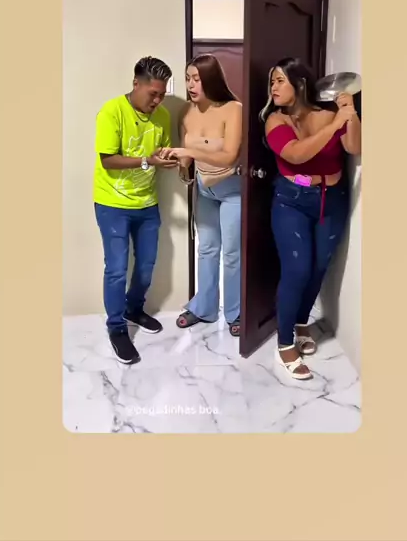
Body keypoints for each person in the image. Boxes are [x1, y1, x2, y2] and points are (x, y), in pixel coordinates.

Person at [261, 57, 361, 380]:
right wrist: (334, 124)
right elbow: (295, 153)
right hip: (292, 199)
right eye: (272, 82)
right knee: (298, 269)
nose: (273, 87)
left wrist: (349, 113)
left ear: (300, 84)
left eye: (280, 80)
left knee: (319, 267)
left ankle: (301, 321)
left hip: (333, 198)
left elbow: (354, 147)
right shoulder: (274, 120)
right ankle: (284, 343)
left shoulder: (328, 113)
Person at [93, 56, 178, 364]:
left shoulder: (163, 116)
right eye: (152, 94)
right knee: (116, 269)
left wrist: (169, 159)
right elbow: (107, 160)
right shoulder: (112, 111)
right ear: (136, 84)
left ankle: (133, 309)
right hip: (112, 203)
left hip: (146, 203)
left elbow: (159, 153)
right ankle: (117, 328)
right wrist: (147, 161)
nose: (157, 101)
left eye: (162, 95)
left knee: (145, 265)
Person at [161, 54, 242, 337]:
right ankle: (204, 308)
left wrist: (189, 151)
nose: (191, 85)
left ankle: (236, 312)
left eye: (197, 79)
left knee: (232, 253)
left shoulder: (233, 109)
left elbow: (229, 156)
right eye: (187, 78)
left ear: (211, 79)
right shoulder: (186, 111)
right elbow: (187, 156)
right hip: (204, 189)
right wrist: (177, 162)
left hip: (232, 190)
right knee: (207, 248)